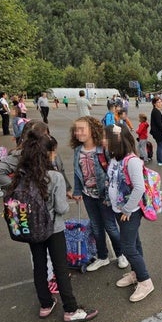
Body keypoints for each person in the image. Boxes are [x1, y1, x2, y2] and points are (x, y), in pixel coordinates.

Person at [9, 131, 98, 322]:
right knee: (60, 267)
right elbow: (61, 208)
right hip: (53, 228)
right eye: (53, 152)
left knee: (39, 266)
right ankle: (71, 309)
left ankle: (45, 303)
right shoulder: (53, 177)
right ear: (46, 154)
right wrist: (63, 200)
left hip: (32, 229)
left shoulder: (22, 175)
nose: (55, 155)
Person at [70, 116, 128, 272]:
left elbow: (115, 171)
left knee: (111, 227)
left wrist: (114, 195)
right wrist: (77, 191)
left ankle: (121, 254)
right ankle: (103, 257)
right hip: (88, 195)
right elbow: (77, 173)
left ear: (92, 130)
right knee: (96, 227)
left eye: (82, 129)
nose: (78, 132)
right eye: (76, 129)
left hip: (105, 196)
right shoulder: (77, 150)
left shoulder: (103, 149)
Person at [104, 124, 155, 303]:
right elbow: (112, 182)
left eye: (106, 138)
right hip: (119, 209)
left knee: (127, 247)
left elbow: (139, 188)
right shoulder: (115, 158)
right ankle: (136, 273)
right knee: (134, 242)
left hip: (130, 211)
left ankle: (145, 281)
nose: (103, 141)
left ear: (116, 141)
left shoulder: (132, 160)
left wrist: (126, 209)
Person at [149, 97, 162, 166]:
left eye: (161, 101)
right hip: (159, 132)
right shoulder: (156, 111)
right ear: (154, 104)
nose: (160, 103)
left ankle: (160, 160)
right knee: (160, 146)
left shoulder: (156, 111)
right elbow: (158, 123)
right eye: (158, 102)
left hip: (158, 132)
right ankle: (160, 161)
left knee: (160, 145)